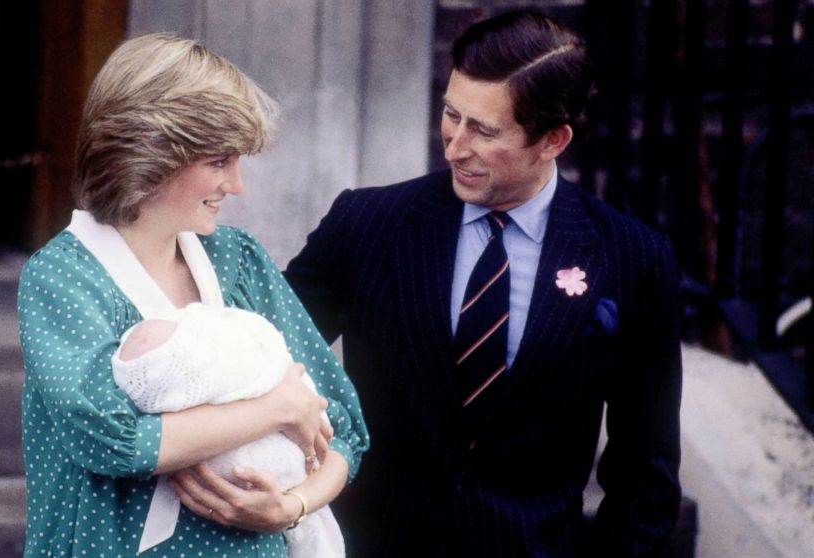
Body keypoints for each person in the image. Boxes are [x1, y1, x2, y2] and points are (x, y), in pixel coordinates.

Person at [284, 10, 682, 557]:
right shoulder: (366, 224)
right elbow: (262, 358)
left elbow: (647, 474)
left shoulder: (633, 259)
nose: (454, 145)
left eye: (484, 130)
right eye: (452, 114)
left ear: (553, 140)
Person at [17, 33, 368, 558]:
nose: (237, 184)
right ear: (151, 152)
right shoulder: (63, 278)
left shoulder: (237, 259)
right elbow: (112, 440)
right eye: (219, 161)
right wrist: (275, 409)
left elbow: (342, 427)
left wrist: (290, 506)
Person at [111, 303, 345, 557]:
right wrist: (281, 407)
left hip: (285, 523)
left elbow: (342, 440)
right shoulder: (80, 285)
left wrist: (294, 506)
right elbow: (122, 443)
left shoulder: (242, 270)